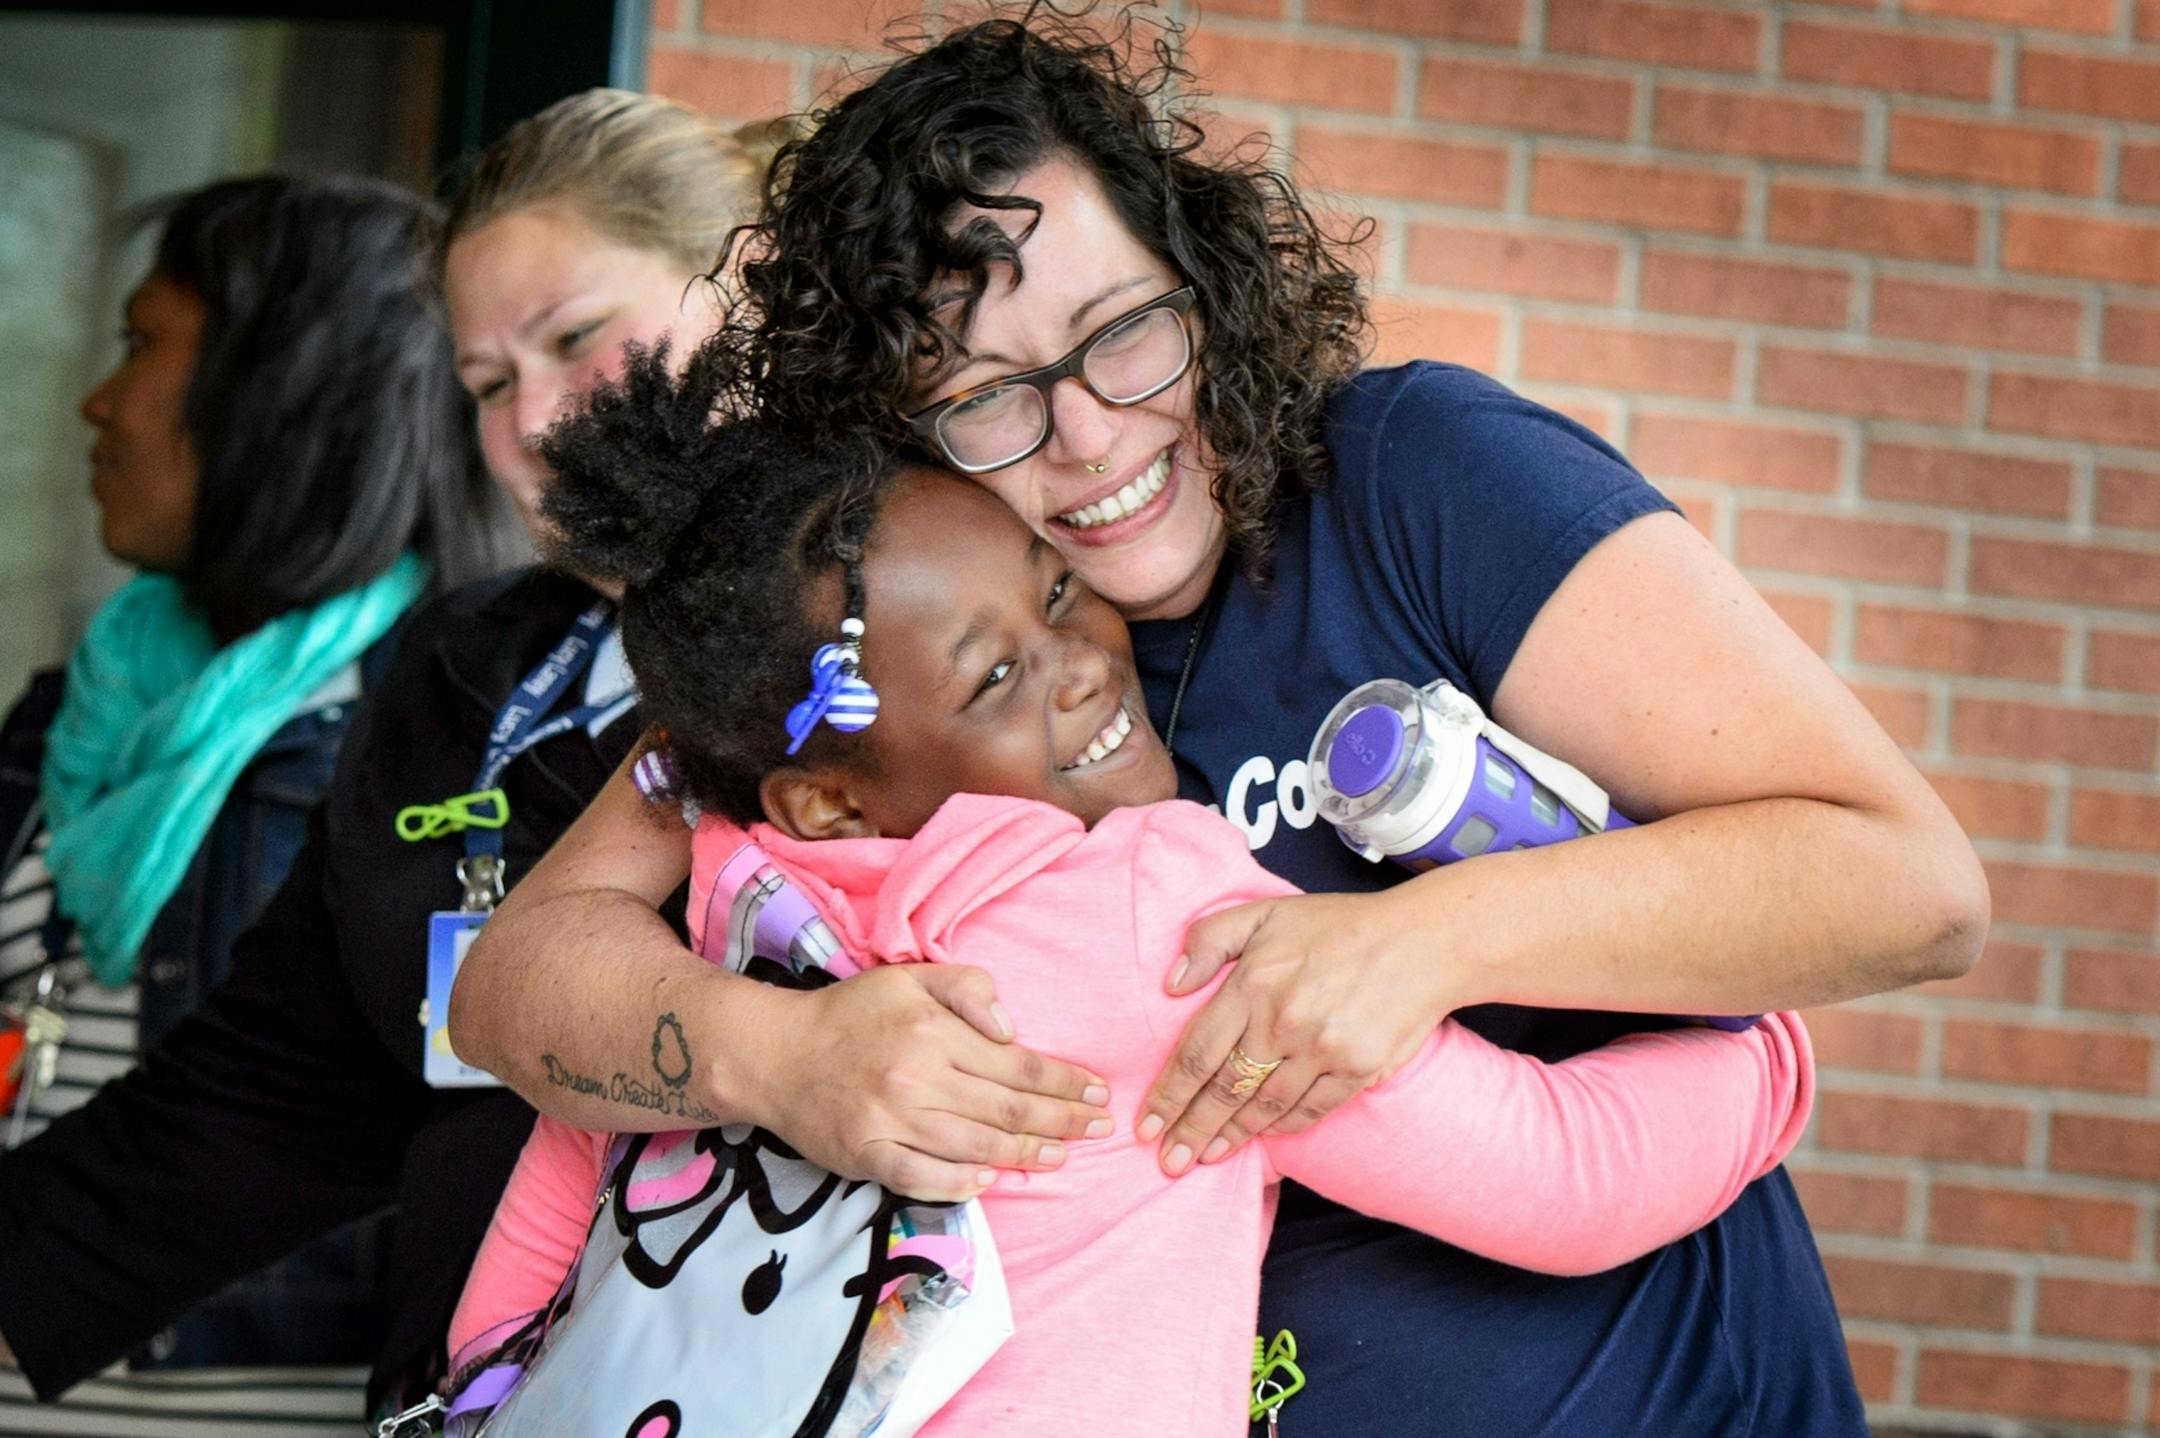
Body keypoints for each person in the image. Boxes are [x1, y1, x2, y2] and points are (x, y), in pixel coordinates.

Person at [449, 13, 1991, 1435]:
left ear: (1204, 281)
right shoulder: (855, 661)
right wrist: (781, 1057)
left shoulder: (1413, 482)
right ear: (890, 436)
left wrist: (1430, 941)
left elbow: (1909, 887)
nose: (1093, 435)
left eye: (1125, 330)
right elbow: (521, 983)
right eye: (988, 398)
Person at [447, 368, 1818, 1437]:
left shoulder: (716, 898)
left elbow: (527, 1274)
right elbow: (1556, 1176)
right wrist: (1763, 1058)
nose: (1082, 663)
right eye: (994, 678)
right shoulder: (1144, 920)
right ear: (825, 796)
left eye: (1057, 592)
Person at [0, 95, 1051, 1432]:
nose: (541, 425)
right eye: (489, 383)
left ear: (754, 292)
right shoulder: (462, 679)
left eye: (576, 339)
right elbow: (253, 1104)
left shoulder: (960, 616)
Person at [0, 172, 511, 1432]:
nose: (98, 399)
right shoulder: (67, 713)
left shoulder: (453, 750)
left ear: (283, 388)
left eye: (141, 343)